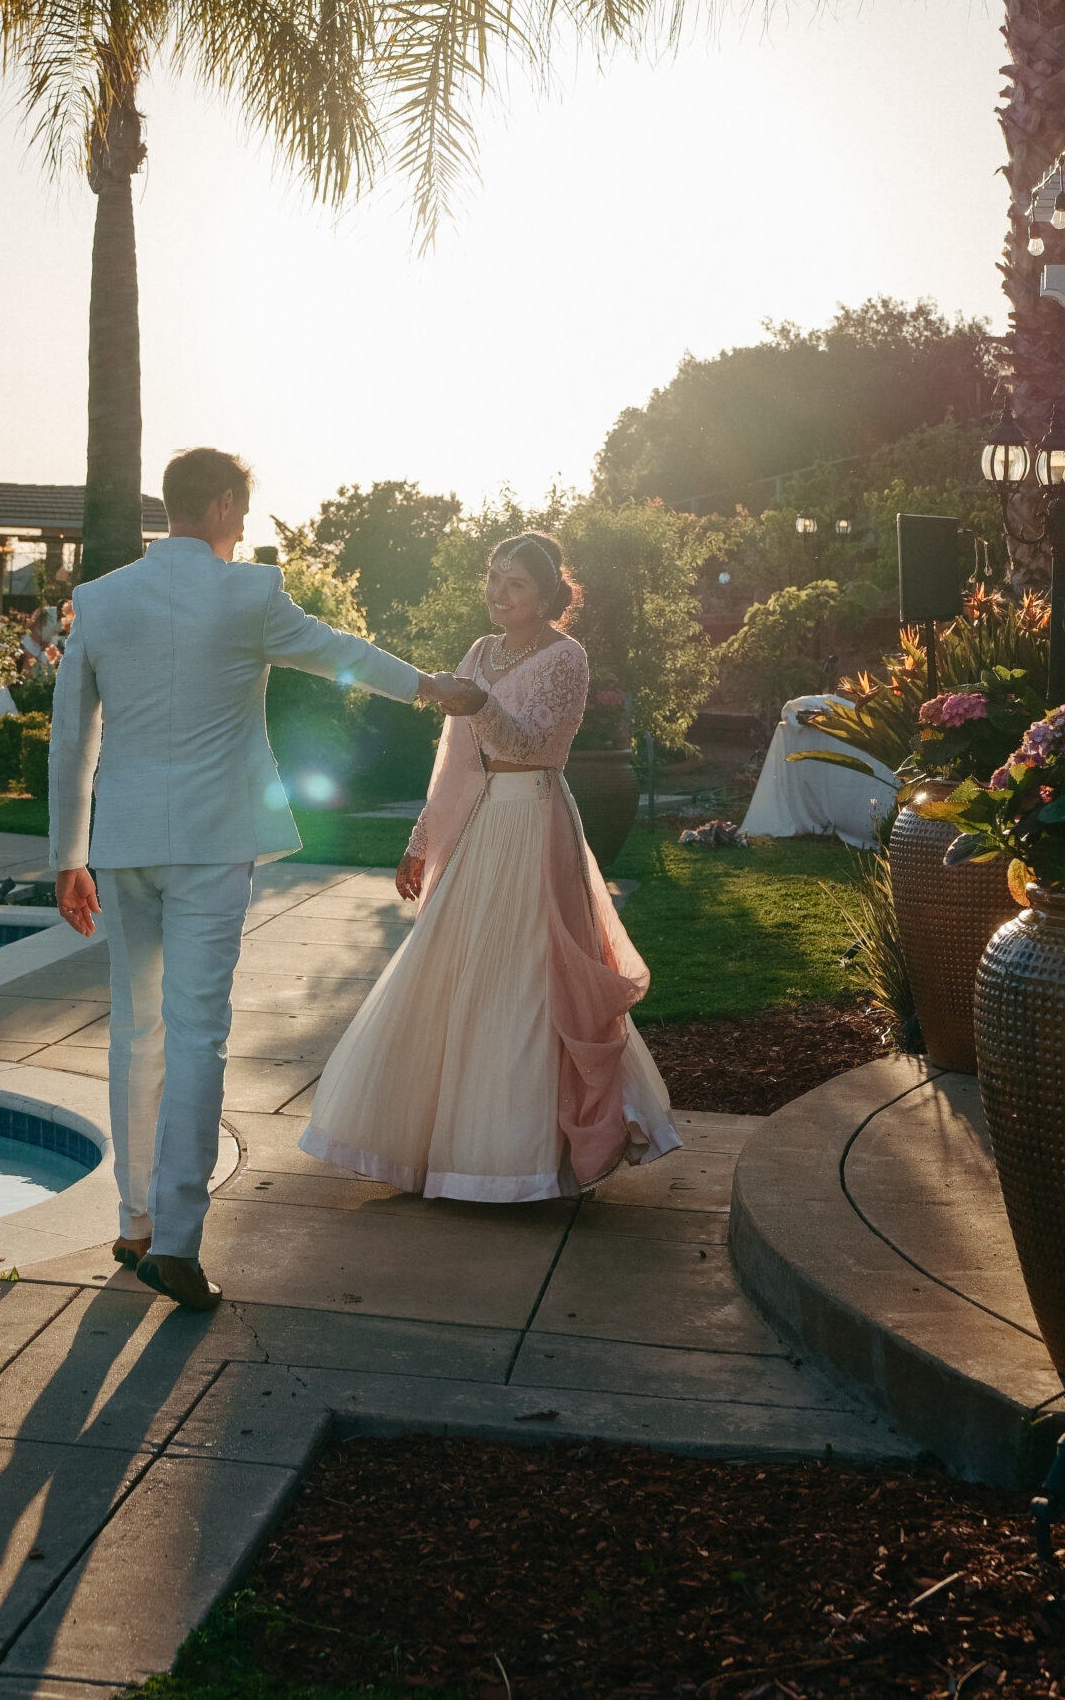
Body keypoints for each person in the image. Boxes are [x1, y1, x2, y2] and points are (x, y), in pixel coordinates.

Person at [50, 446, 485, 1313]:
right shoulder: (247, 592)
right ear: (218, 506)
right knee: (197, 1032)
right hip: (212, 844)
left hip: (125, 843)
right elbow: (341, 654)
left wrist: (67, 854)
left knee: (137, 1029)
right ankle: (174, 1242)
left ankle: (135, 1222)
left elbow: (71, 737)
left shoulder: (99, 600)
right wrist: (432, 690)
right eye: (241, 511)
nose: (243, 528)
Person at [300, 532, 679, 1202]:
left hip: (532, 821)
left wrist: (479, 704)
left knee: (526, 973)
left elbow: (534, 747)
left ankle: (525, 1159)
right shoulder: (478, 652)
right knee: (455, 967)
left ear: (547, 595)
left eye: (516, 584)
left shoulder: (567, 657)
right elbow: (452, 760)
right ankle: (441, 1151)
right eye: (494, 578)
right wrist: (420, 839)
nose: (498, 595)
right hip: (476, 824)